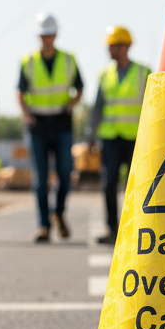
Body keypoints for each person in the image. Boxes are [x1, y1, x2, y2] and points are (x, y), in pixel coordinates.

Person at [18, 13, 83, 243]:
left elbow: (80, 88)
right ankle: (44, 225)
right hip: (38, 126)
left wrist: (71, 106)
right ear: (39, 36)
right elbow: (20, 92)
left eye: (50, 34)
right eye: (43, 34)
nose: (47, 38)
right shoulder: (29, 61)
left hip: (61, 124)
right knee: (40, 178)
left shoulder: (68, 60)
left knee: (66, 172)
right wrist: (26, 115)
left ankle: (59, 212)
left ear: (55, 35)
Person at [87, 26, 150, 245]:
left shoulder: (144, 72)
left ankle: (137, 229)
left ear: (125, 47)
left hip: (136, 138)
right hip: (111, 137)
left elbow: (153, 105)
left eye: (113, 46)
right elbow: (98, 106)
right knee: (109, 183)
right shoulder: (105, 74)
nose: (109, 50)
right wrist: (91, 134)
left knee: (138, 185)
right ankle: (112, 229)